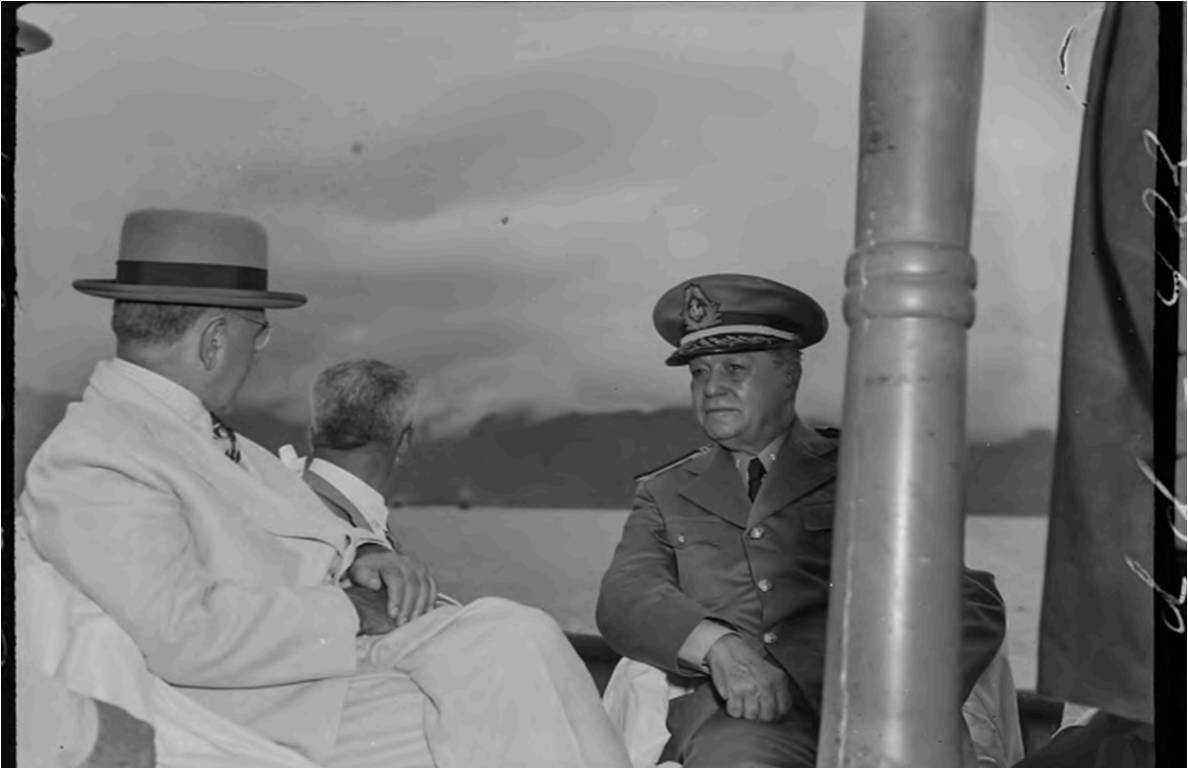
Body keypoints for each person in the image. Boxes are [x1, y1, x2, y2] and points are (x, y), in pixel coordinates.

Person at [18, 208, 630, 767]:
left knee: (517, 630)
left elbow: (297, 518)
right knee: (504, 701)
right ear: (214, 339)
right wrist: (351, 611)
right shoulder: (93, 458)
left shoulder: (193, 434)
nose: (260, 351)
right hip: (253, 713)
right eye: (259, 332)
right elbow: (182, 633)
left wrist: (366, 552)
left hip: (314, 677)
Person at [596, 273, 1007, 767]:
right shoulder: (665, 492)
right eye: (699, 373)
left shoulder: (866, 474)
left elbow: (970, 599)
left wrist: (900, 698)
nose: (712, 388)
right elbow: (627, 595)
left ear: (789, 376)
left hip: (872, 715)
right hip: (743, 716)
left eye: (734, 369)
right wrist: (719, 646)